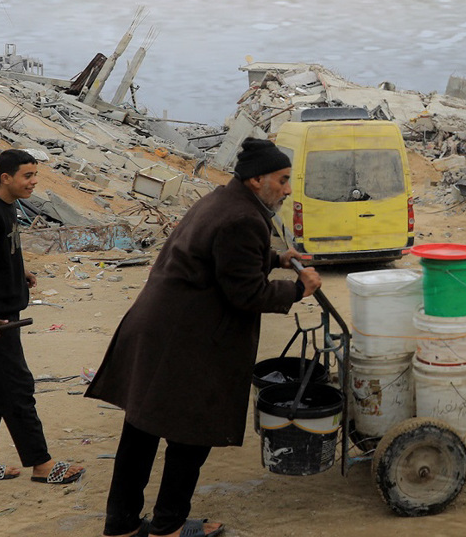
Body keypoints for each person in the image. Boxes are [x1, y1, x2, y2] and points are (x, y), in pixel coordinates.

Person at [86, 138, 322, 537]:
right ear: (256, 180)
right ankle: (169, 527)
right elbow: (246, 293)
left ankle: (122, 524)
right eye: (282, 181)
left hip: (158, 328)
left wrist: (275, 259)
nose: (287, 189)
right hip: (186, 340)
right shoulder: (244, 218)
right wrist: (299, 289)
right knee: (192, 433)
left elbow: (218, 256)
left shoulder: (221, 201)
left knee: (141, 428)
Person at [0, 149, 85, 486]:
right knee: (16, 385)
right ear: (5, 178)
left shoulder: (8, 206)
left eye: (34, 175)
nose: (34, 182)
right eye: (27, 176)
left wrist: (17, 270)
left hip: (4, 310)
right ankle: (41, 464)